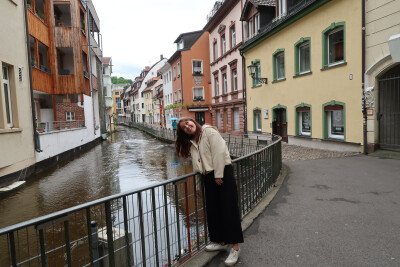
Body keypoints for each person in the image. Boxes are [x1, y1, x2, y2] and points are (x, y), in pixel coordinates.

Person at [175, 117, 243, 266]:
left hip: (222, 173)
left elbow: (219, 153)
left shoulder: (208, 132)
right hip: (208, 177)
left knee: (228, 210)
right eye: (183, 127)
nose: (187, 126)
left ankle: (235, 248)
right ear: (183, 133)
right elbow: (197, 166)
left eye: (188, 123)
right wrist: (199, 186)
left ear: (193, 121)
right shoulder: (193, 143)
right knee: (214, 211)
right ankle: (220, 241)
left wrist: (218, 174)